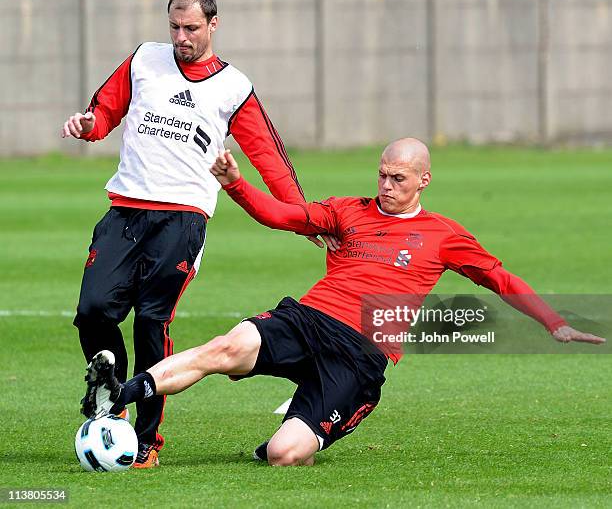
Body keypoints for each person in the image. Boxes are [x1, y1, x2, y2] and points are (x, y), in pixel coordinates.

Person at [80, 138, 605, 467]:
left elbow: (499, 277)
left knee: (285, 456)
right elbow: (281, 217)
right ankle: (118, 394)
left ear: (423, 180)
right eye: (381, 174)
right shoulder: (347, 211)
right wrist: (237, 184)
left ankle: (302, 424)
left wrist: (553, 322)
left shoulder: (443, 234)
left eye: (398, 178)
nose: (386, 185)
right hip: (308, 319)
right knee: (227, 346)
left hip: (359, 355)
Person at [61, 0, 337, 469]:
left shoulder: (234, 87)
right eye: (174, 26)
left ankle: (145, 442)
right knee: (93, 310)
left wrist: (301, 216)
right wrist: (89, 125)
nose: (181, 37)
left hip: (183, 219)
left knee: (152, 322)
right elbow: (105, 111)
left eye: (191, 28)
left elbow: (269, 158)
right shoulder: (144, 58)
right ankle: (113, 397)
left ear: (214, 24)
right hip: (125, 210)